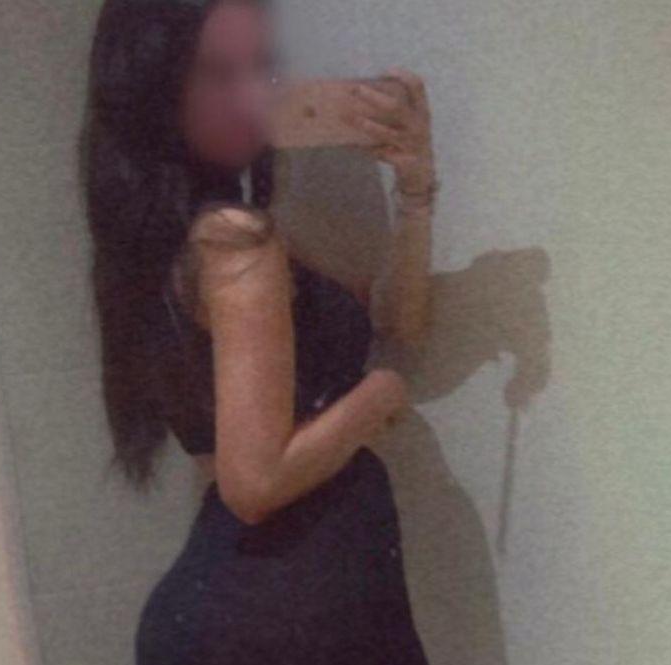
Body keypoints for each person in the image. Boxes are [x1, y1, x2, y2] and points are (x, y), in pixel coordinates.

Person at [80, 0, 436, 663]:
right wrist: (383, 393)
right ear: (156, 88)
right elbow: (255, 484)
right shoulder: (233, 240)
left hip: (255, 606)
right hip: (285, 614)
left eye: (260, 68)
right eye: (219, 74)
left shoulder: (167, 238)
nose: (251, 96)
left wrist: (416, 191)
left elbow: (393, 329)